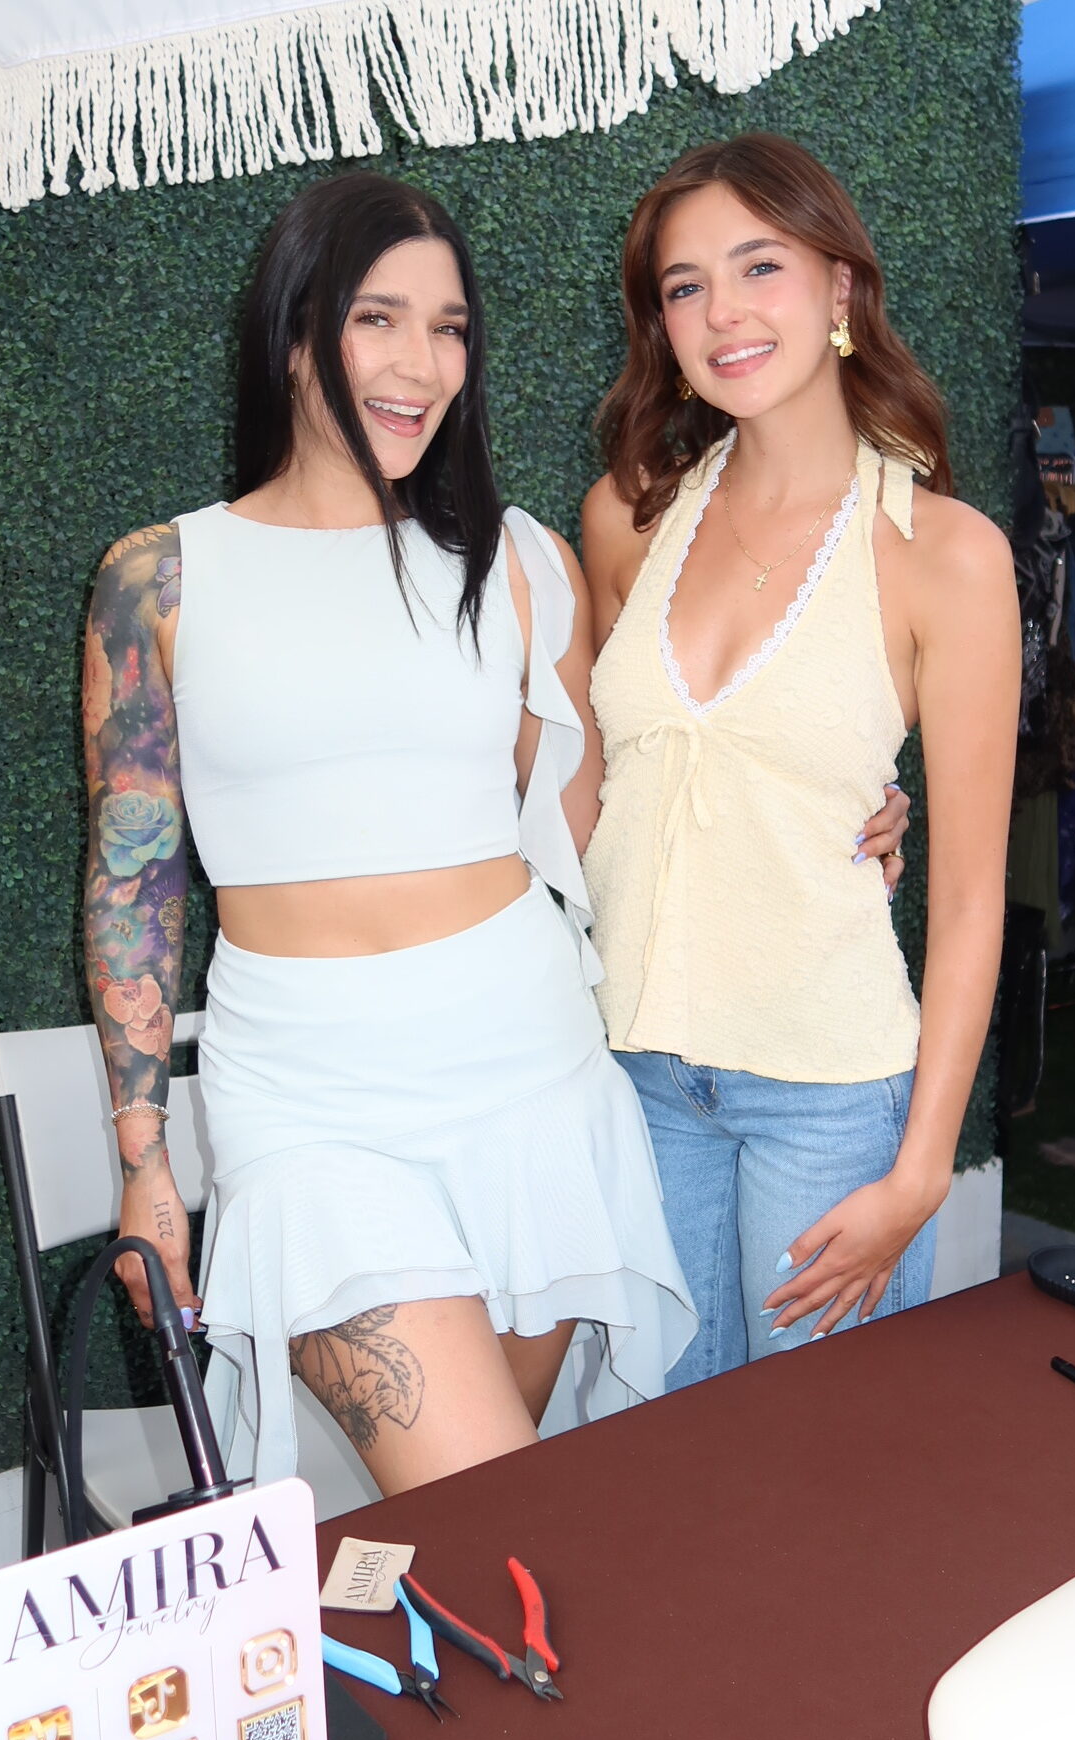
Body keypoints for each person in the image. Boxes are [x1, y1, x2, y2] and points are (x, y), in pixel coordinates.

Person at [80, 171, 706, 1498]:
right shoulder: (161, 579)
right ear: (297, 332)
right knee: (490, 1497)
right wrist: (144, 1164)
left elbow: (601, 833)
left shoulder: (519, 560)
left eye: (452, 327)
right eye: (381, 319)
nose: (423, 364)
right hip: (309, 1111)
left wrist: (822, 822)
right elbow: (131, 886)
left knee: (485, 1516)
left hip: (530, 1080)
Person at [580, 133, 1019, 1386]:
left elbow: (976, 896)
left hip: (830, 1100)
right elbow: (632, 782)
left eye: (759, 266)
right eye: (683, 286)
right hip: (635, 1076)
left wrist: (921, 1166)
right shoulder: (627, 518)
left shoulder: (944, 553)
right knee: (648, 1459)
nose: (722, 313)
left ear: (838, 289)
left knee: (815, 1495)